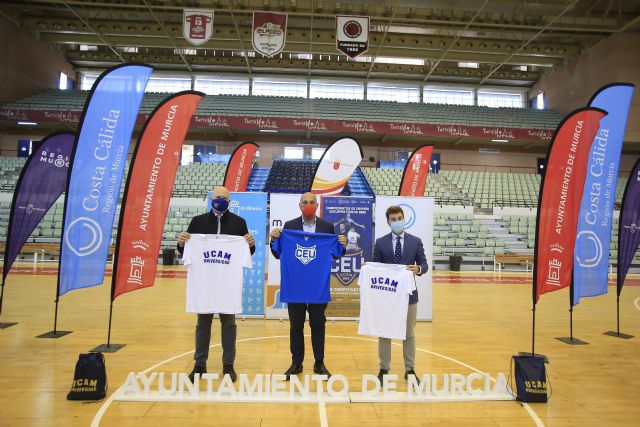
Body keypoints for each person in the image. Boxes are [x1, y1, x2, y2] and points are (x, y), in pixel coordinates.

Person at [177, 186, 256, 383]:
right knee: (202, 324)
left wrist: (250, 244)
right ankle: (199, 364)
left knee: (229, 324)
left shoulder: (239, 222)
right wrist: (181, 243)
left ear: (230, 200)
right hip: (204, 285)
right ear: (210, 199)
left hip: (227, 285)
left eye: (224, 197)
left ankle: (228, 365)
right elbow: (185, 252)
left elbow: (247, 254)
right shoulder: (197, 221)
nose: (220, 199)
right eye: (217, 197)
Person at [270, 192, 346, 379]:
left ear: (317, 205)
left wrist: (342, 245)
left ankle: (319, 363)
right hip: (295, 287)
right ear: (299, 205)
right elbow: (278, 253)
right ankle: (297, 363)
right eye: (305, 202)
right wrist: (274, 239)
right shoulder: (289, 227)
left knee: (318, 325)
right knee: (296, 326)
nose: (308, 205)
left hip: (317, 287)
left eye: (312, 202)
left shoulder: (327, 227)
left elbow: (335, 254)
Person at [372, 205, 428, 384]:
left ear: (404, 219)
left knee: (409, 333)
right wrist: (370, 269)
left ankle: (410, 369)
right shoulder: (380, 242)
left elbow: (424, 265)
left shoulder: (415, 241)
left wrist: (418, 268)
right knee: (385, 332)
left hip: (409, 294)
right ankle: (383, 368)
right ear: (388, 222)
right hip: (388, 296)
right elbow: (376, 267)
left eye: (399, 218)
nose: (397, 222)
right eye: (393, 219)